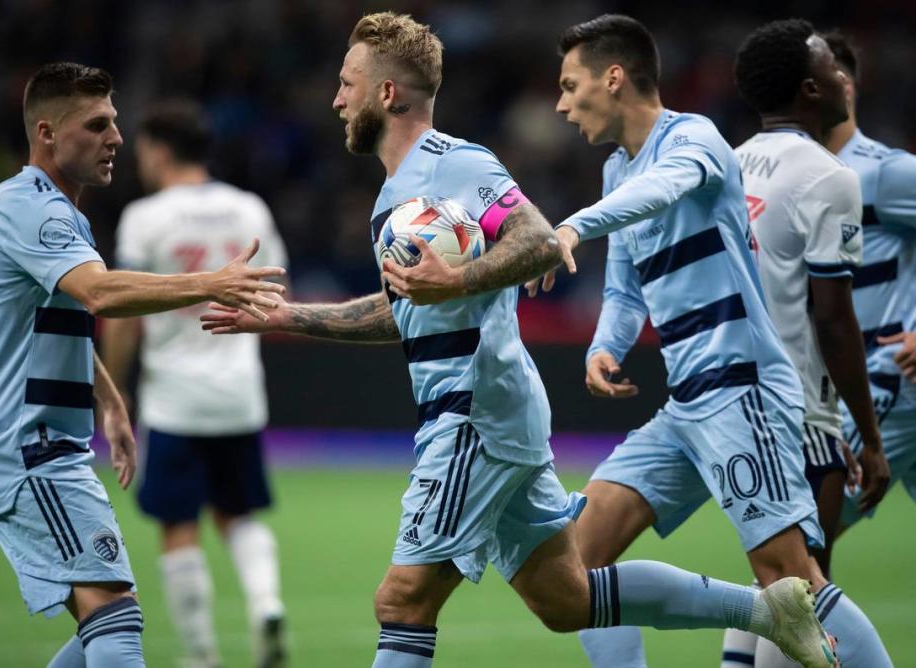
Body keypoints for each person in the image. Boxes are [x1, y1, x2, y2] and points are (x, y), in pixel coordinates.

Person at [202, 12, 837, 668]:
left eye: (347, 83)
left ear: (387, 93)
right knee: (564, 599)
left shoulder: (454, 165)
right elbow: (405, 312)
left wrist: (461, 280)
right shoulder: (394, 196)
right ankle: (766, 611)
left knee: (402, 600)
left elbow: (535, 238)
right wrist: (287, 318)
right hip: (486, 412)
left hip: (475, 412)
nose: (336, 98)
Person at [525, 14, 885, 668]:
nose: (560, 103)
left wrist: (573, 226)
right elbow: (625, 288)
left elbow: (663, 189)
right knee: (577, 561)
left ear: (613, 78)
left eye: (569, 84)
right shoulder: (616, 172)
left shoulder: (694, 138)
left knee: (793, 578)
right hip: (687, 403)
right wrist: (605, 344)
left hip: (743, 389)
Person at [0, 62, 284, 667]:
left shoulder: (46, 210)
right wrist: (213, 281)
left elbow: (54, 319)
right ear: (47, 133)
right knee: (114, 614)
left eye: (116, 122)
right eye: (97, 124)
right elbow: (101, 295)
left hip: (38, 440)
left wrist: (106, 398)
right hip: (24, 447)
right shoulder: (37, 210)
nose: (117, 138)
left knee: (108, 616)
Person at [719, 20, 893, 667]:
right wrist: (868, 437)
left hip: (735, 407)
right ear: (811, 88)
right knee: (804, 591)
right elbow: (833, 318)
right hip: (795, 408)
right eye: (830, 65)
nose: (844, 75)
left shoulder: (728, 164)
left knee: (777, 583)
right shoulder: (830, 176)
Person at [101, 100, 289, 668]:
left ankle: (202, 655)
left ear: (158, 150)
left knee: (178, 525)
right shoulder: (249, 208)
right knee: (239, 514)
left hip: (175, 398)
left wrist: (116, 390)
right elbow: (277, 292)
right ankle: (266, 604)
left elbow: (123, 312)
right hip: (239, 394)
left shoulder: (145, 217)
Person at [822, 30, 916, 534]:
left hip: (889, 382)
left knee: (796, 548)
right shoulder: (794, 177)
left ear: (840, 86)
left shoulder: (886, 173)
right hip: (848, 388)